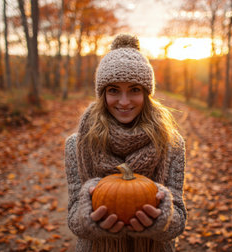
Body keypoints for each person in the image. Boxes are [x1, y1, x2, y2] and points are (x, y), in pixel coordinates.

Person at [64, 34, 186, 252]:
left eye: (134, 90)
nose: (124, 101)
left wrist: (162, 219)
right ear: (102, 94)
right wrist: (88, 219)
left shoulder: (171, 144)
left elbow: (179, 219)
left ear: (146, 94)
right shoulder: (77, 145)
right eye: (113, 90)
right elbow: (73, 217)